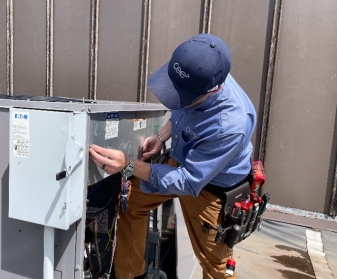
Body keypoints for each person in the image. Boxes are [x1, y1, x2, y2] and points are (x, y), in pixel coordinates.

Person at [89, 33, 257, 279]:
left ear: (215, 90)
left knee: (216, 269)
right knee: (130, 203)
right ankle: (131, 275)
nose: (177, 99)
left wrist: (127, 164)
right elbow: (183, 109)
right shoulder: (204, 68)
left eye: (184, 96)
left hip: (212, 189)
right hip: (183, 162)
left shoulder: (230, 126)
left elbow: (188, 182)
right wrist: (162, 136)